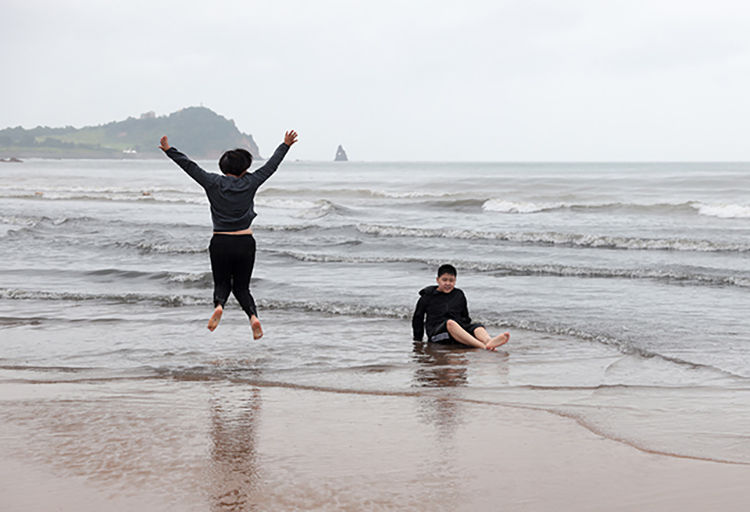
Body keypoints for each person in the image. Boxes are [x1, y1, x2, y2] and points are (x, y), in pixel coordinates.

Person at [159, 130, 298, 339]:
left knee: (222, 284)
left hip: (221, 241)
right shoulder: (251, 182)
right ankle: (253, 317)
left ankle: (219, 306)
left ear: (223, 167)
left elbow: (190, 166)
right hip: (245, 241)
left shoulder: (212, 182)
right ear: (245, 168)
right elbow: (271, 166)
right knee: (242, 287)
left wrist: (170, 151)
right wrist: (285, 145)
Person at [412, 264, 509, 351]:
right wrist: (418, 341)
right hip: (437, 334)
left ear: (455, 281)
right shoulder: (427, 297)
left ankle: (489, 341)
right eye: (444, 280)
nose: (448, 283)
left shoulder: (459, 294)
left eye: (451, 280)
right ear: (438, 280)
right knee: (450, 323)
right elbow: (418, 319)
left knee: (477, 326)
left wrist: (471, 330)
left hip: (457, 330)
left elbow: (465, 317)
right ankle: (482, 346)